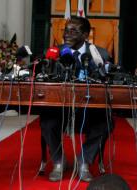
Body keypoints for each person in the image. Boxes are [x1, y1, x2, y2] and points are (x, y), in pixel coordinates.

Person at [40, 16, 112, 182]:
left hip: (89, 110)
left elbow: (107, 80)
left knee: (106, 122)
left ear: (86, 35)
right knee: (47, 121)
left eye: (74, 31)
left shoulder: (100, 53)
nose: (67, 34)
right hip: (60, 110)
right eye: (66, 30)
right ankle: (59, 161)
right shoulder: (54, 53)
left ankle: (84, 161)